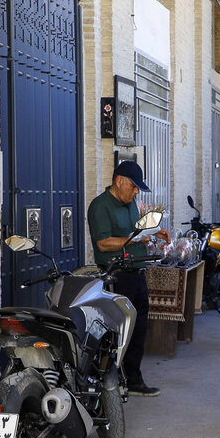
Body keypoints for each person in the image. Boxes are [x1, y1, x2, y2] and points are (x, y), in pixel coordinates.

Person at [87, 160, 170, 397]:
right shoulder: (100, 206)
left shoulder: (131, 203)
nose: (136, 192)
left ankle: (133, 378)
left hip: (137, 273)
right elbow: (103, 243)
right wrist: (135, 239)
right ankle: (109, 381)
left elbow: (135, 232)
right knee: (117, 332)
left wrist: (153, 232)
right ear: (119, 181)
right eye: (133, 187)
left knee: (139, 328)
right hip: (116, 277)